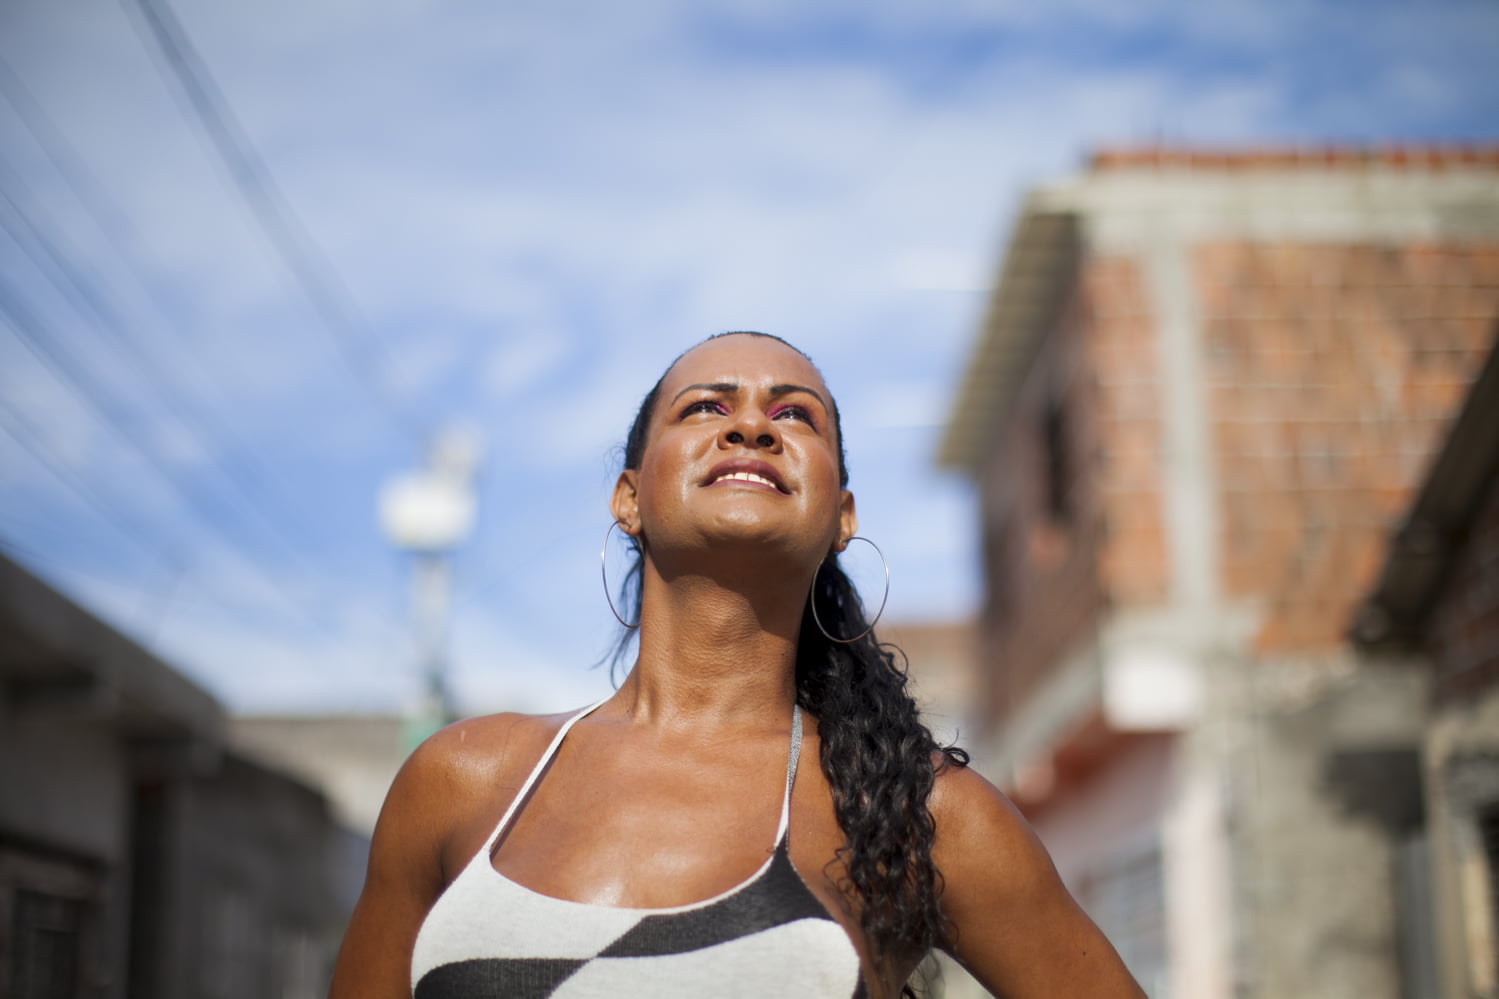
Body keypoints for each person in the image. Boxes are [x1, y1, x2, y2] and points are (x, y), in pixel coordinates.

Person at [328, 331, 1145, 999]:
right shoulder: (461, 781)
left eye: (795, 416)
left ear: (842, 518)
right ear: (628, 496)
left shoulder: (915, 814)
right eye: (706, 406)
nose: (752, 426)